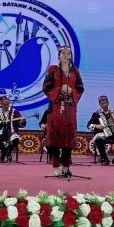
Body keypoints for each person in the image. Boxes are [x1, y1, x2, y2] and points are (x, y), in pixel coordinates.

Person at [42, 45, 84, 177]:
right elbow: (46, 86)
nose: (66, 56)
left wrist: (72, 91)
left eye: (68, 53)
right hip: (55, 108)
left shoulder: (75, 71)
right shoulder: (53, 69)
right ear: (59, 56)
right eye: (63, 53)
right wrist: (60, 89)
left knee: (69, 137)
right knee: (55, 137)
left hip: (70, 108)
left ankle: (66, 165)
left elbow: (80, 87)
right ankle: (56, 165)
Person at [87, 95, 114, 166]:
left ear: (108, 103)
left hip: (113, 134)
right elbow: (88, 125)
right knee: (98, 139)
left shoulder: (113, 112)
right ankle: (104, 158)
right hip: (102, 134)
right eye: (102, 103)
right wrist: (97, 126)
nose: (104, 104)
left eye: (105, 103)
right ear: (99, 104)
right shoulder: (96, 114)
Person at [0, 95, 27, 162]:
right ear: (1, 104)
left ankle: (7, 154)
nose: (6, 106)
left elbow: (20, 124)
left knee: (15, 139)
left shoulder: (14, 111)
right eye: (4, 104)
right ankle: (5, 153)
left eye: (8, 104)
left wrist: (22, 121)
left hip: (12, 131)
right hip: (1, 132)